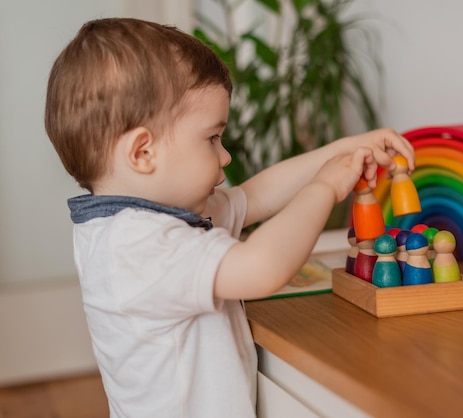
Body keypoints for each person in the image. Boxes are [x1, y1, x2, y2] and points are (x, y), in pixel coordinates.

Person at [44, 17, 415, 417]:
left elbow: (254, 195)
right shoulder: (137, 245)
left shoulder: (161, 218)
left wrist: (344, 149)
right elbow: (262, 267)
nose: (225, 157)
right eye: (211, 138)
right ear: (143, 153)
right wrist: (324, 188)